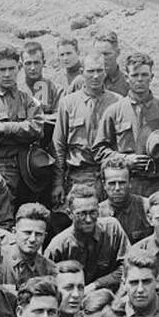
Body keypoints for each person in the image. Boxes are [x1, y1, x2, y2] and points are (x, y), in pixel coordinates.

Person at [0, 46, 45, 202]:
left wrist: (3, 127)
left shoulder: (27, 99)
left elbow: (37, 129)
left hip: (27, 165)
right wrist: (22, 130)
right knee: (3, 208)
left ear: (19, 68)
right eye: (2, 69)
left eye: (11, 69)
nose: (7, 74)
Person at [51, 51, 125, 204]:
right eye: (90, 71)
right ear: (82, 72)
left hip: (111, 175)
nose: (95, 76)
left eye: (99, 71)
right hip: (79, 176)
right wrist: (58, 182)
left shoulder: (118, 102)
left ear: (105, 71)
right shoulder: (68, 103)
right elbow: (58, 146)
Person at [112, 52, 159, 200]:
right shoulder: (115, 111)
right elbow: (99, 151)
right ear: (127, 77)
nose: (140, 79)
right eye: (135, 75)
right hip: (127, 182)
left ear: (152, 77)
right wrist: (124, 159)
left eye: (144, 75)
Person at [43, 183, 130, 290]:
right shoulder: (58, 246)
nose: (88, 220)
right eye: (82, 214)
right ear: (70, 214)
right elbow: (47, 281)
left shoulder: (112, 229)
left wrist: (97, 284)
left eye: (93, 213)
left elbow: (129, 267)